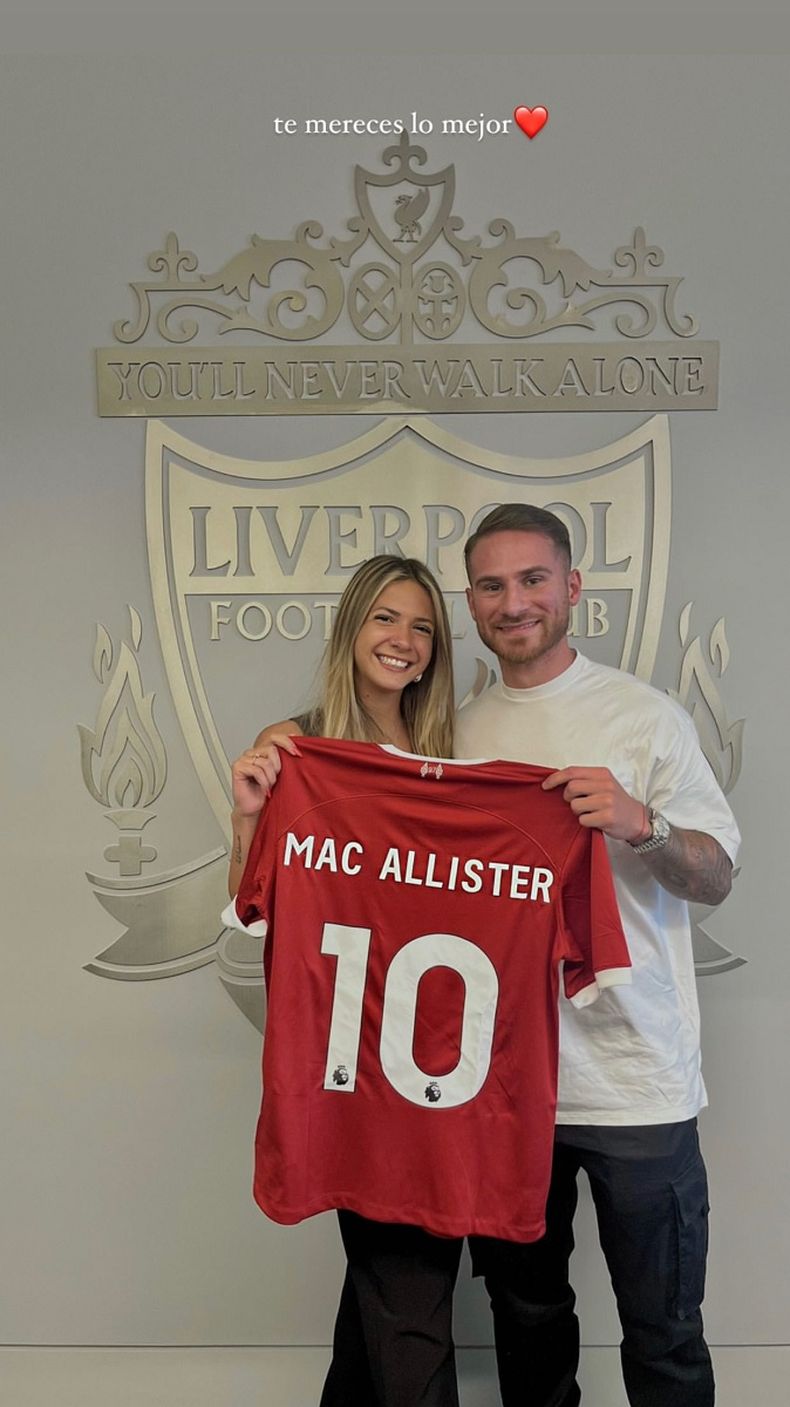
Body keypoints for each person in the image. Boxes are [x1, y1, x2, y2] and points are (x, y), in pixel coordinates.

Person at [455, 503, 740, 1407]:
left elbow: (717, 875)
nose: (514, 602)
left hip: (635, 1080)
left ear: (572, 586)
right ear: (472, 601)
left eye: (533, 578)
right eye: (492, 585)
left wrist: (640, 823)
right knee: (526, 1323)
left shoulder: (644, 718)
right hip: (508, 1085)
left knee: (664, 1331)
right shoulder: (455, 735)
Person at [227, 554, 462, 1407]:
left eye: (423, 627)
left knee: (392, 1281)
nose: (404, 640)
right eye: (386, 618)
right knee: (409, 1278)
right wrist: (248, 817)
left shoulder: (453, 754)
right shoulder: (297, 747)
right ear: (351, 626)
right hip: (348, 1058)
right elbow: (252, 904)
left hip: (436, 1057)